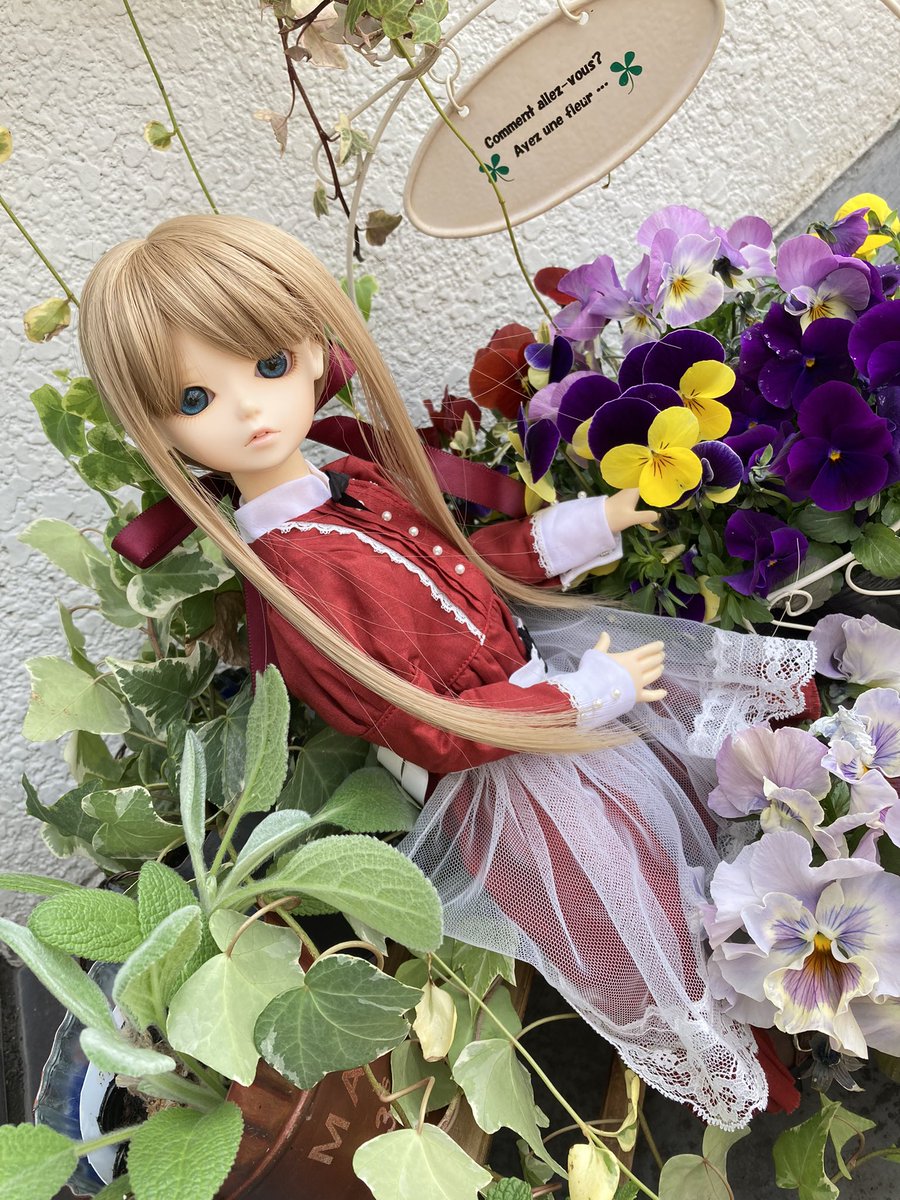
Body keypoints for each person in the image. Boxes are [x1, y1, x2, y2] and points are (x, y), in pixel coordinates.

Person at [79, 213, 816, 1128]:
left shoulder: (349, 484)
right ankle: (742, 1066)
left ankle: (777, 990)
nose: (250, 411)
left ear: (313, 351)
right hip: (510, 773)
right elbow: (428, 724)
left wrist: (589, 525)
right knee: (623, 924)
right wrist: (591, 694)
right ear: (154, 428)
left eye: (270, 364)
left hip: (544, 700)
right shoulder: (295, 577)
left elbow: (467, 564)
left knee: (692, 831)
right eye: (195, 400)